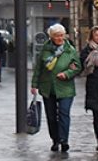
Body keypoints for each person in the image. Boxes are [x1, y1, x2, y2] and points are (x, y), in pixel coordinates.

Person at [32, 24, 81, 153]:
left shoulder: (70, 50)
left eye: (61, 35)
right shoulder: (46, 49)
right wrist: (34, 85)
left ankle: (64, 140)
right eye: (56, 36)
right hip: (48, 87)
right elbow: (39, 68)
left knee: (64, 114)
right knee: (51, 116)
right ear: (51, 37)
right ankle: (55, 140)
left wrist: (67, 74)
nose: (59, 38)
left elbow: (77, 66)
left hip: (65, 88)